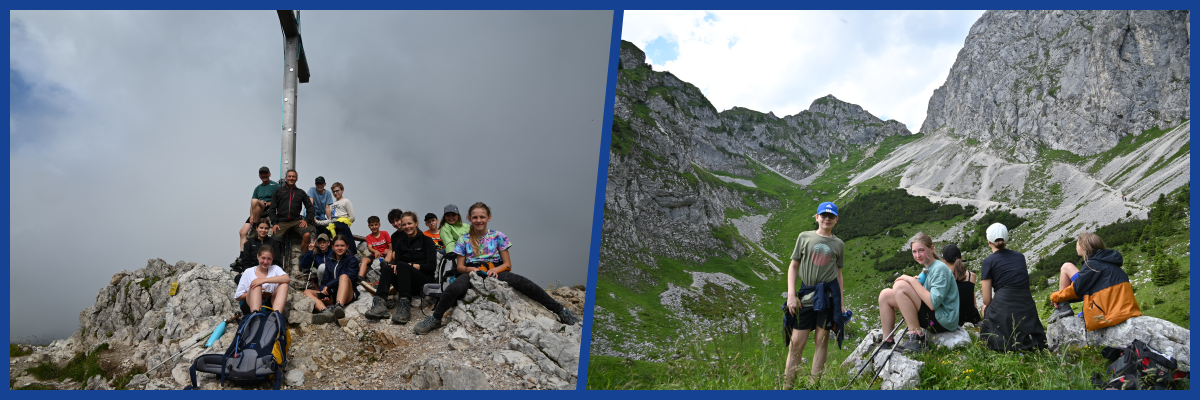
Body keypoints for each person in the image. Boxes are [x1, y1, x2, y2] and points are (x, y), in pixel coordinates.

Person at [413, 202, 580, 335]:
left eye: (482, 217)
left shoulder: (498, 236)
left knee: (525, 283)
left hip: (496, 270)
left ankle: (561, 311)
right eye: (475, 217)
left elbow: (508, 264)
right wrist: (472, 271)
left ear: (489, 218)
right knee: (453, 288)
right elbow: (461, 266)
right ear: (469, 218)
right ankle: (435, 318)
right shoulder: (463, 240)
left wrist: (495, 271)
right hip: (473, 272)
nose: (479, 220)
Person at [782, 202, 850, 387]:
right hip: (805, 297)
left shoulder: (838, 244)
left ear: (836, 220)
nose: (827, 219)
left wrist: (841, 303)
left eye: (831, 216)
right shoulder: (804, 237)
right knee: (796, 343)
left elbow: (839, 274)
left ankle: (814, 387)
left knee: (821, 341)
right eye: (823, 215)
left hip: (828, 298)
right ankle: (787, 387)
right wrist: (791, 295)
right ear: (817, 217)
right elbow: (794, 265)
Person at [875, 233, 959, 355]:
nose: (917, 255)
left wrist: (912, 281)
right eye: (914, 252)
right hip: (934, 316)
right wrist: (913, 282)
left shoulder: (939, 268)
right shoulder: (928, 268)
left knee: (900, 286)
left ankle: (917, 338)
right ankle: (887, 340)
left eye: (921, 250)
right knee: (885, 295)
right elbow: (916, 287)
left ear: (931, 248)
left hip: (944, 319)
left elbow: (933, 304)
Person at [977, 223, 1047, 352]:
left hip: (1004, 303)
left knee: (984, 307)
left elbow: (987, 300)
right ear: (1006, 240)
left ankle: (1002, 337)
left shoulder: (988, 261)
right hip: (1026, 305)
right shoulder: (1020, 257)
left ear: (989, 242)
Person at [1048, 232, 1141, 328]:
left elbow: (1077, 289)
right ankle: (1066, 306)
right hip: (1126, 310)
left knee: (1066, 266)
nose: (1076, 247)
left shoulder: (1092, 265)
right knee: (1067, 267)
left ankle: (1062, 307)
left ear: (1084, 247)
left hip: (1108, 315)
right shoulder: (1109, 263)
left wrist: (1055, 297)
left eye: (1077, 244)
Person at [367, 210, 437, 324]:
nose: (407, 226)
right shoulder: (400, 243)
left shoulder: (426, 240)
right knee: (387, 267)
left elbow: (431, 267)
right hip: (405, 281)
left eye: (409, 223)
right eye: (404, 224)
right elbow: (397, 265)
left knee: (402, 265)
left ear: (416, 223)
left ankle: (405, 306)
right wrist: (396, 267)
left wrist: (412, 266)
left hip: (423, 281)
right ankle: (379, 303)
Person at [302, 235, 358, 324]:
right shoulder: (329, 262)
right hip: (332, 295)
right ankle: (325, 312)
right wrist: (323, 290)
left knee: (344, 276)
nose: (339, 248)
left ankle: (339, 307)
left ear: (347, 246)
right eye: (337, 246)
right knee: (306, 292)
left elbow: (350, 276)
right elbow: (324, 280)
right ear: (332, 247)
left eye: (342, 246)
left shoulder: (352, 260)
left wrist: (329, 285)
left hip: (347, 294)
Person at [268, 170, 316, 261]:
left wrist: (307, 220)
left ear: (296, 179)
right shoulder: (278, 191)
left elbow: (310, 207)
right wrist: (274, 223)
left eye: (293, 176)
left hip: (296, 221)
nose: (291, 178)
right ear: (286, 178)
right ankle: (275, 263)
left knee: (307, 234)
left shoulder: (301, 192)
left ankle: (303, 258)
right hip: (282, 221)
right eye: (289, 176)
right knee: (274, 240)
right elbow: (272, 208)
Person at [234, 246, 290, 315]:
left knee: (284, 284)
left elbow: (287, 279)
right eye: (263, 258)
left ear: (272, 259)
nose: (266, 262)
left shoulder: (275, 269)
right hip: (249, 305)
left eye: (269, 259)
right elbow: (238, 297)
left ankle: (275, 316)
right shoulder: (248, 272)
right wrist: (258, 294)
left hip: (270, 303)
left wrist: (263, 280)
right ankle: (255, 317)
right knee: (256, 286)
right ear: (258, 256)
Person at [238, 166, 279, 253]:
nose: (264, 175)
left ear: (269, 174)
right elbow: (252, 205)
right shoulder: (257, 188)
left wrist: (268, 203)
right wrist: (252, 216)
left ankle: (254, 227)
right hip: (256, 210)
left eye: (265, 173)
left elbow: (279, 200)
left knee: (255, 200)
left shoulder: (275, 185)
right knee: (242, 232)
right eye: (262, 174)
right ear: (259, 175)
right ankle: (242, 255)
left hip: (267, 208)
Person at [943, 244, 981, 326]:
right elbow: (973, 300)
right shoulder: (972, 276)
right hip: (973, 319)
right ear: (961, 257)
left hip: (955, 321)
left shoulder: (943, 278)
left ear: (945, 262)